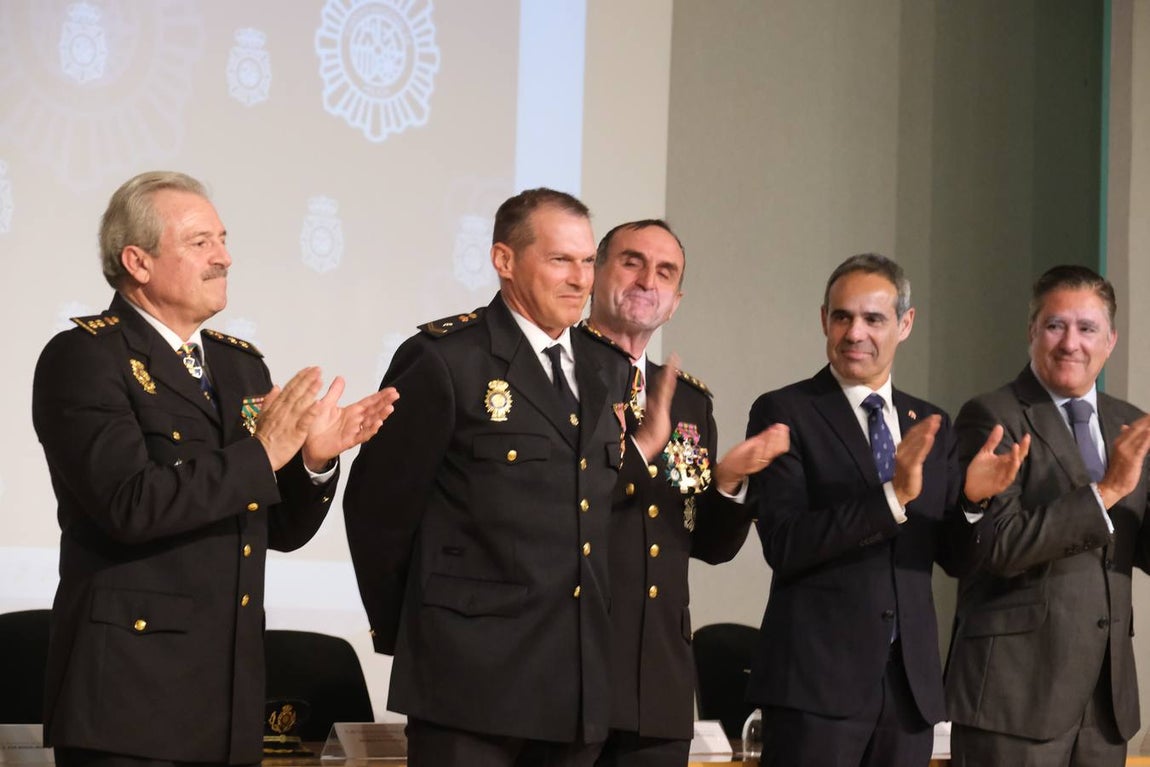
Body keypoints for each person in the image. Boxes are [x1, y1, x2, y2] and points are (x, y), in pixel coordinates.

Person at [31, 171, 398, 767]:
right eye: (200, 242)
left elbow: (276, 530)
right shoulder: (84, 357)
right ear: (138, 262)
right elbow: (130, 504)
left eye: (222, 240)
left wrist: (312, 459)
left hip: (225, 699)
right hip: (126, 704)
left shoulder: (238, 366)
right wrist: (263, 453)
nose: (224, 257)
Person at [344, 189, 673, 766]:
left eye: (588, 261)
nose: (580, 279)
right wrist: (425, 631)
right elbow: (378, 511)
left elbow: (591, 508)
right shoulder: (446, 359)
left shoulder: (607, 368)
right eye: (559, 260)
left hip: (576, 686)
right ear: (504, 260)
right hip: (469, 684)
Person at [743, 253, 1028, 767]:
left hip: (907, 692)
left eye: (873, 319)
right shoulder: (785, 411)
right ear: (823, 320)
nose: (855, 333)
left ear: (905, 324)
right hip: (817, 690)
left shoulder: (931, 422)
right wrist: (892, 497)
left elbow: (955, 561)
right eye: (842, 317)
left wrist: (972, 502)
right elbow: (785, 544)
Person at [582, 219, 789, 767]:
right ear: (594, 273)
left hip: (658, 680)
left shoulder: (690, 402)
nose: (648, 279)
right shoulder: (555, 373)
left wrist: (729, 483)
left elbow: (708, 545)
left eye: (665, 271)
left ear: (675, 301)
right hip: (569, 667)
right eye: (632, 261)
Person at [946, 265, 1150, 766]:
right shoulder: (992, 416)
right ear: (1032, 331)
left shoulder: (1130, 423)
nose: (1070, 343)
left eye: (1087, 328)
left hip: (1104, 704)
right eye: (1056, 325)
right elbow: (999, 546)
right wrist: (1104, 492)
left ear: (1111, 340)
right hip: (1015, 697)